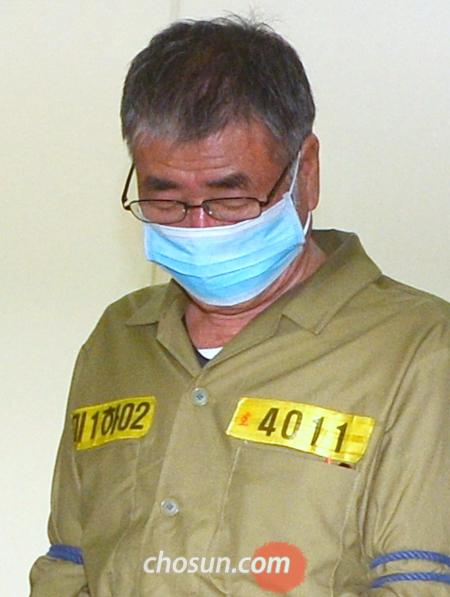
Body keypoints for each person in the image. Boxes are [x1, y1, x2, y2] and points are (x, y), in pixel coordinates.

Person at [29, 16, 450, 596]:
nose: (199, 228)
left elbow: (418, 585)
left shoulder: (417, 348)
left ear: (306, 173)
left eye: (230, 200)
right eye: (166, 201)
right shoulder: (118, 339)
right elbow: (68, 565)